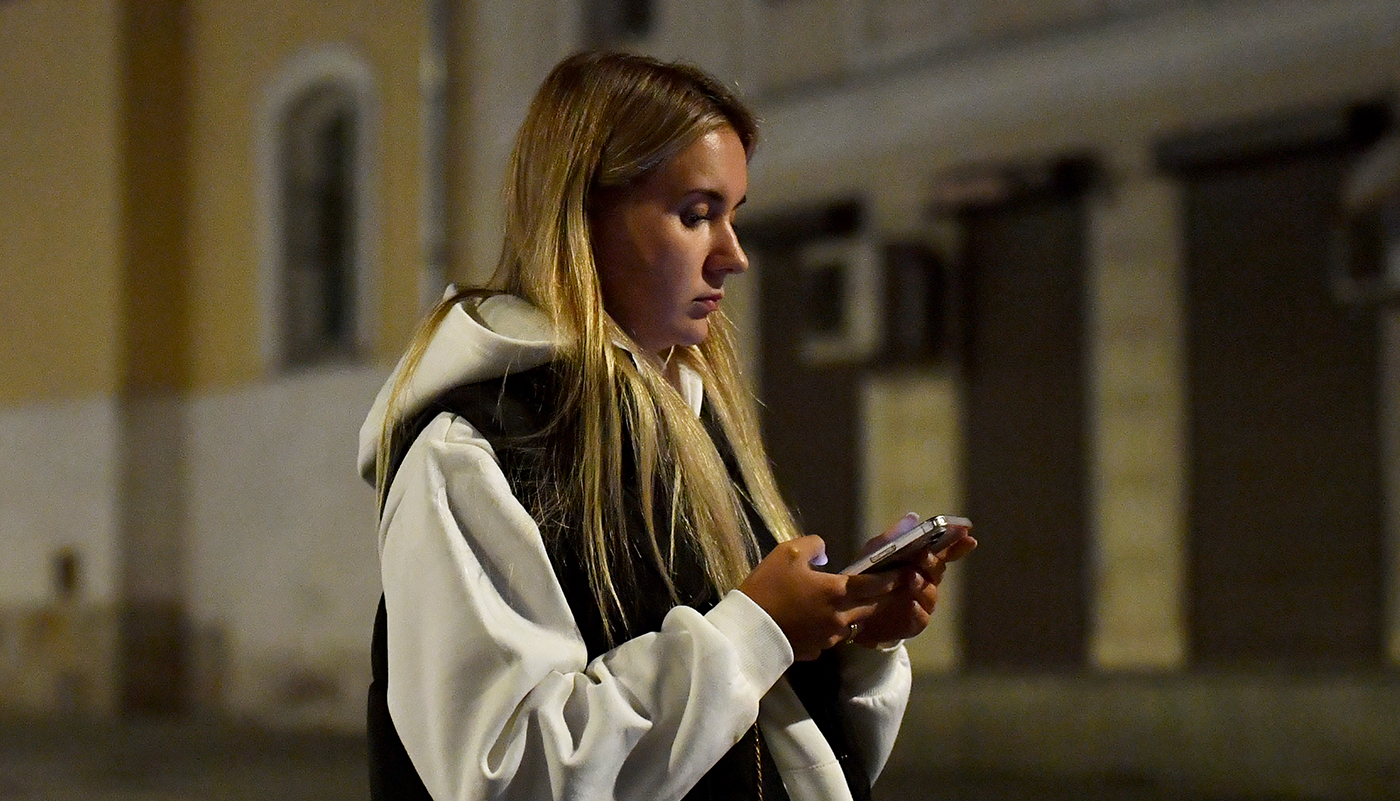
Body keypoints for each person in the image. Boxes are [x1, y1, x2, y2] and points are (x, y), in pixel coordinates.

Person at [356, 51, 975, 801]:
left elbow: (773, 753)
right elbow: (509, 773)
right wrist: (758, 632)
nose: (734, 257)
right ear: (581, 217)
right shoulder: (471, 451)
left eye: (733, 214)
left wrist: (846, 637)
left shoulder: (687, 414)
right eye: (696, 215)